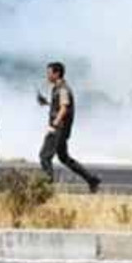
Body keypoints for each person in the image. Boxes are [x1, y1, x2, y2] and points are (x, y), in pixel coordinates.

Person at [35, 61, 100, 193]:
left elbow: (64, 108)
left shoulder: (63, 89)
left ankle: (47, 185)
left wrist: (54, 124)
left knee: (44, 156)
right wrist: (47, 103)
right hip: (61, 128)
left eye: (49, 73)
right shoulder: (58, 88)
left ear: (57, 73)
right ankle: (91, 179)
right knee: (64, 158)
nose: (47, 76)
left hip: (58, 129)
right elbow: (60, 106)